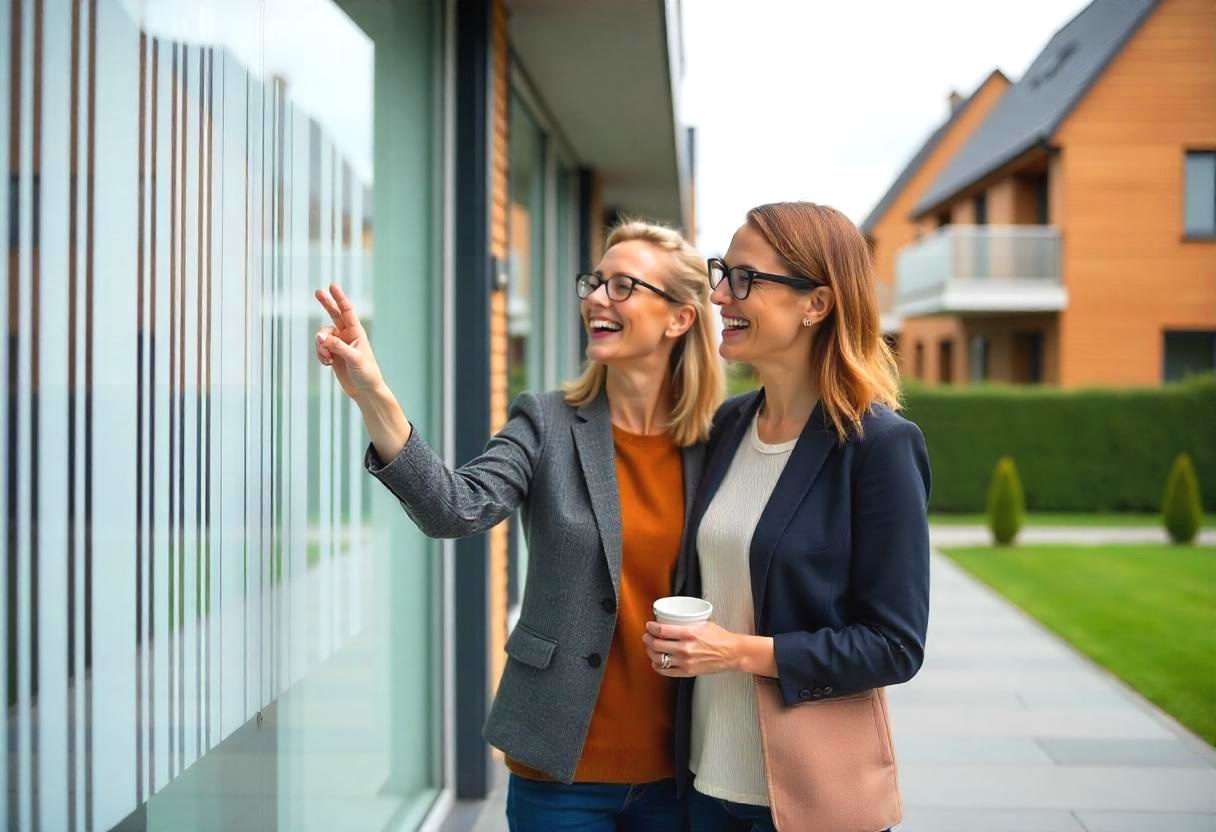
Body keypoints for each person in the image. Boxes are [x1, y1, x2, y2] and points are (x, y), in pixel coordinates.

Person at [314, 219, 724, 831]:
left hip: (683, 771)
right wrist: (375, 395)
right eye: (595, 282)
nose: (594, 299)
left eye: (622, 286)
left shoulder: (719, 440)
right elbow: (456, 507)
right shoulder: (548, 422)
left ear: (679, 319)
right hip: (559, 768)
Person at [643, 202, 931, 832]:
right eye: (723, 273)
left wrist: (737, 652)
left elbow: (895, 645)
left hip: (806, 797)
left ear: (817, 303)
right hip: (700, 782)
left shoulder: (878, 445)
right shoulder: (727, 427)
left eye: (745, 278)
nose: (721, 294)